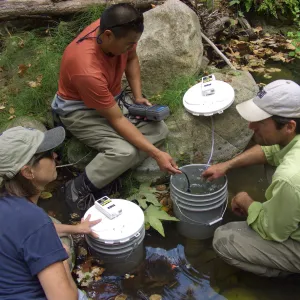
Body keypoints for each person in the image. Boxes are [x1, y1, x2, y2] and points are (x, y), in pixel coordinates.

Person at [51, 3, 180, 213]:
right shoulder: (86, 68)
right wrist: (157, 155)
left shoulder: (121, 29)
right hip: (79, 110)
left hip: (110, 100)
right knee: (124, 152)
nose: (132, 47)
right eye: (129, 44)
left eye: (134, 43)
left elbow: (132, 59)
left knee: (159, 130)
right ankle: (76, 188)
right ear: (108, 35)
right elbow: (117, 119)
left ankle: (109, 172)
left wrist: (137, 97)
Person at [203, 80, 300, 277]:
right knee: (273, 163)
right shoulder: (291, 138)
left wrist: (246, 201)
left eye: (261, 122)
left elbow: (273, 231)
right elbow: (272, 150)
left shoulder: (290, 176)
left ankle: (285, 271)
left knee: (223, 239)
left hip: (283, 223)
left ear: (289, 126)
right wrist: (227, 165)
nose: (251, 126)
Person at [0, 126, 100, 300]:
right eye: (47, 154)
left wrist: (77, 229)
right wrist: (61, 259)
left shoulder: (11, 207)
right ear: (28, 172)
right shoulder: (33, 220)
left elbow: (27, 234)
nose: (55, 156)